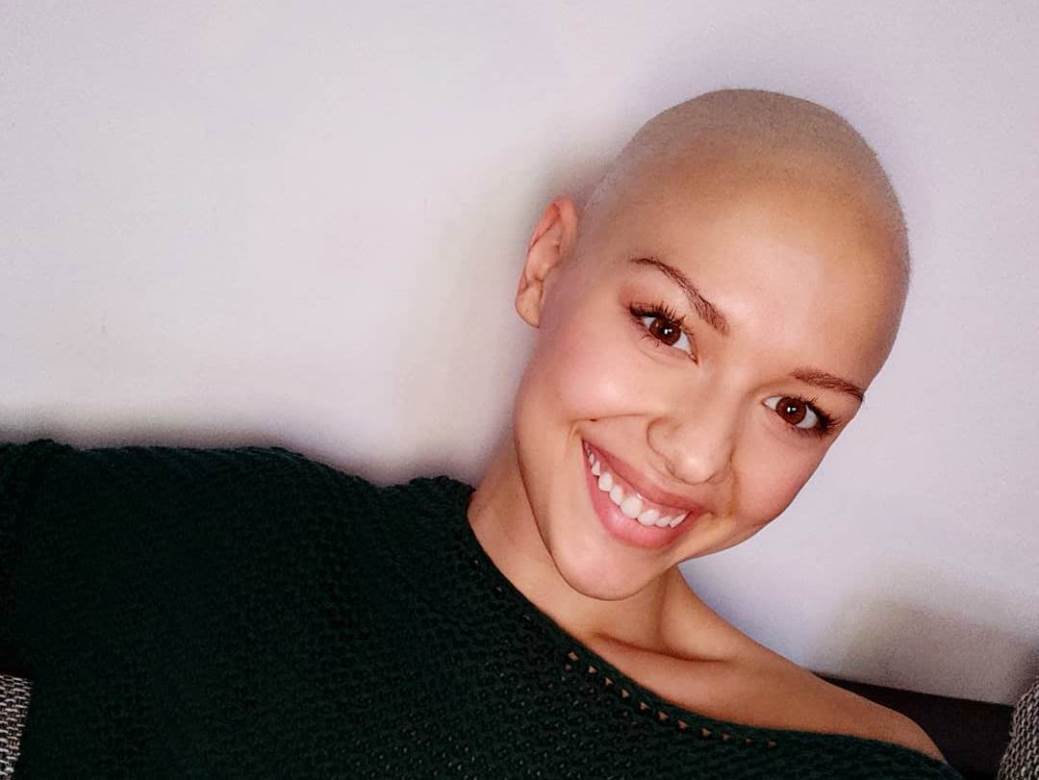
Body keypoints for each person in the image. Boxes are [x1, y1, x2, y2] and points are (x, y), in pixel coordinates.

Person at [0, 89, 960, 777]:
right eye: (665, 327)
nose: (698, 453)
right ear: (547, 265)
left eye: (796, 410)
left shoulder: (859, 766)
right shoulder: (213, 542)